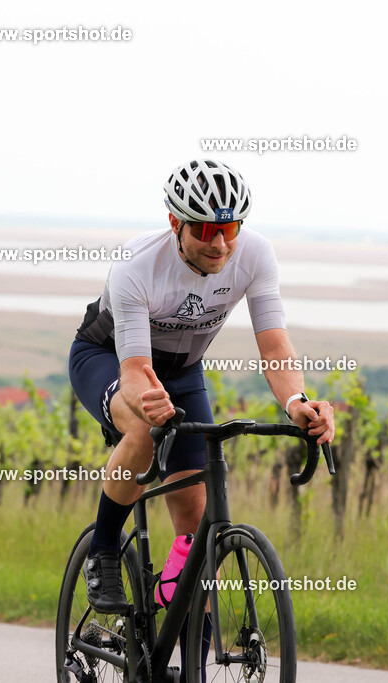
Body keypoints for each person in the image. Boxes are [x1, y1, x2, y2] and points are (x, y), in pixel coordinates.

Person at [69, 159, 335, 680]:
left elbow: (274, 346)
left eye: (229, 229)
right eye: (205, 230)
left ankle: (185, 656)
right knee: (144, 429)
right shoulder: (135, 266)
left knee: (196, 532)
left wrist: (298, 403)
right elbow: (135, 371)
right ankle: (103, 550)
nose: (219, 243)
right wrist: (151, 403)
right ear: (176, 223)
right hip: (109, 358)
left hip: (184, 372)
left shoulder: (254, 254)